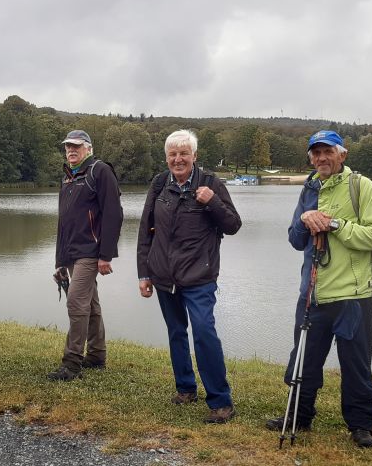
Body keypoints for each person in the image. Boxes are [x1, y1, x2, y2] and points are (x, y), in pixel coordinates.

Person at [265, 130, 372, 448]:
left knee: (356, 364)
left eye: (327, 152)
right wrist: (305, 219)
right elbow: (295, 241)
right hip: (312, 293)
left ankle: (361, 425)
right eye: (315, 153)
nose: (321, 158)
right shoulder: (309, 188)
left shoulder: (360, 186)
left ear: (342, 155)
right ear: (310, 158)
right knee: (304, 359)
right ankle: (298, 416)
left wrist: (336, 225)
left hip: (353, 295)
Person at [136, 129, 241, 424]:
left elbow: (233, 225)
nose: (178, 159)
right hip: (163, 276)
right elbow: (145, 231)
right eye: (173, 154)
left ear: (194, 156)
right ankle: (185, 388)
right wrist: (144, 273)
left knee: (205, 332)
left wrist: (212, 202)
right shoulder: (159, 185)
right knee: (176, 332)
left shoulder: (211, 184)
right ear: (167, 157)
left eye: (184, 154)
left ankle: (221, 402)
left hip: (199, 276)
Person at [48, 130, 123, 381]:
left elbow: (113, 214)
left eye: (76, 147)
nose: (71, 150)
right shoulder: (68, 177)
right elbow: (63, 222)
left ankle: (71, 363)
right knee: (90, 304)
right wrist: (60, 261)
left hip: (90, 252)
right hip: (70, 251)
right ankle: (97, 355)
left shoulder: (100, 171)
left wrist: (106, 255)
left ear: (88, 148)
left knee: (75, 303)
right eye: (68, 146)